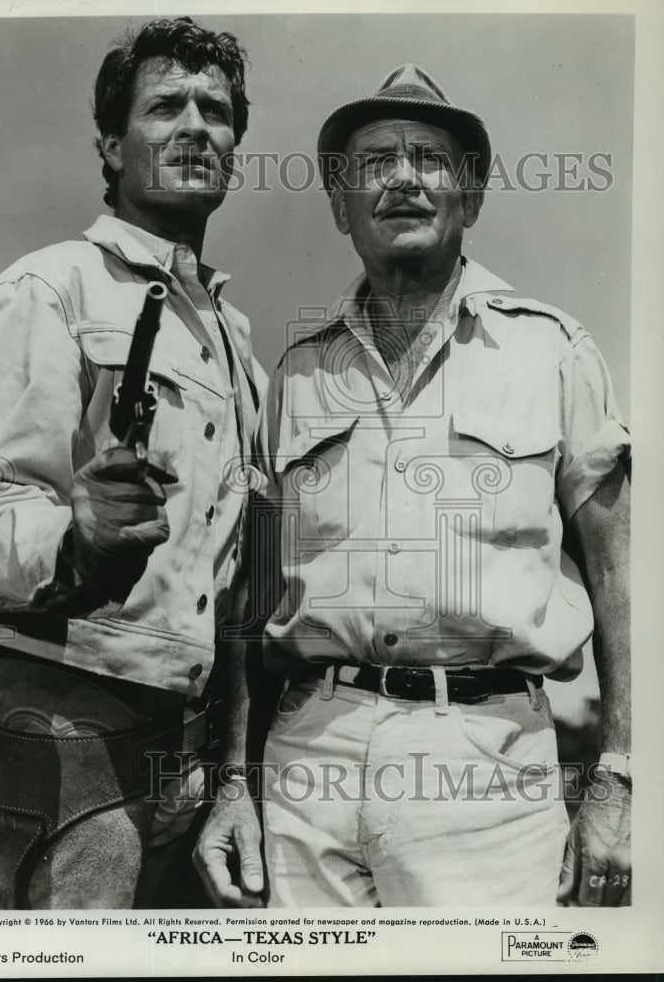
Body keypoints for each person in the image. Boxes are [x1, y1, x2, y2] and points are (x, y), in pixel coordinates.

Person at [217, 64, 631, 907]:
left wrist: (620, 775)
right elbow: (244, 602)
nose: (402, 178)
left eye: (428, 159)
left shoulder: (551, 351)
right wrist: (233, 776)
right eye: (373, 162)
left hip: (484, 766)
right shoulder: (295, 375)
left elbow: (626, 580)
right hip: (308, 760)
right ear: (338, 204)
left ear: (470, 194)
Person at [0, 16, 266, 910]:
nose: (197, 125)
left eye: (218, 110)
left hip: (189, 762)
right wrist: (74, 538)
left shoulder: (236, 348)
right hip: (62, 733)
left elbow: (235, 589)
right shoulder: (46, 288)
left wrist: (232, 776)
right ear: (111, 145)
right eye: (166, 106)